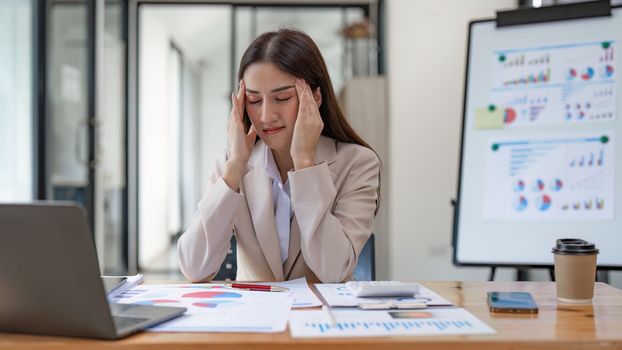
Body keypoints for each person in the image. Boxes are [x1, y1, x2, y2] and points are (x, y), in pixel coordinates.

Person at [177, 28, 381, 283]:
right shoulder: (233, 164)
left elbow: (334, 271)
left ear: (315, 97)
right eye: (254, 100)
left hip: (321, 320)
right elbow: (194, 268)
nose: (266, 116)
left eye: (282, 98)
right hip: (254, 319)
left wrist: (305, 163)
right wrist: (235, 167)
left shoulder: (358, 163)